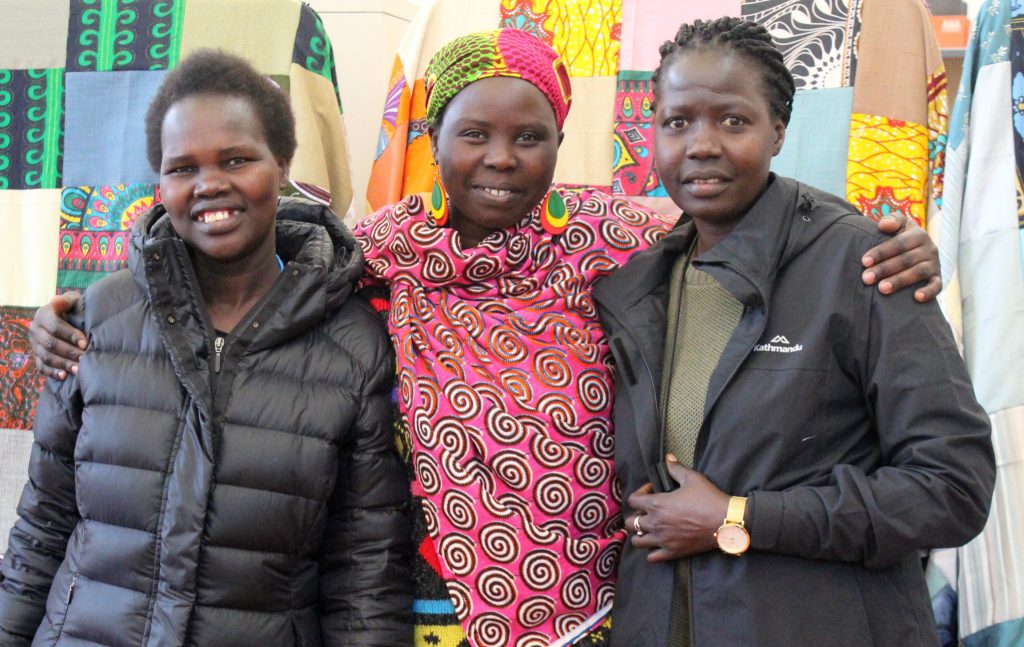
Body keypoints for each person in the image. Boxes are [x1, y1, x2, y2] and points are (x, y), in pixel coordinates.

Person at [30, 29, 942, 647]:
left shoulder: (612, 239)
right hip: (429, 605)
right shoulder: (387, 248)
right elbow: (247, 249)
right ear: (435, 138)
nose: (501, 160)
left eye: (529, 137)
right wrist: (82, 308)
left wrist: (881, 236)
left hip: (600, 606)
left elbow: (740, 218)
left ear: (558, 145)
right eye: (474, 134)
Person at [592, 18, 996, 647]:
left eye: (732, 120)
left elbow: (952, 487)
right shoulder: (636, 284)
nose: (701, 144)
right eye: (677, 122)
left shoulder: (865, 265)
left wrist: (740, 517)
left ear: (778, 130)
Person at [0, 50, 412, 646]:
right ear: (160, 182)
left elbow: (365, 579)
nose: (209, 184)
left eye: (237, 159)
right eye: (182, 167)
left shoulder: (352, 347)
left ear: (282, 164)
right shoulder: (96, 322)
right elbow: (42, 530)